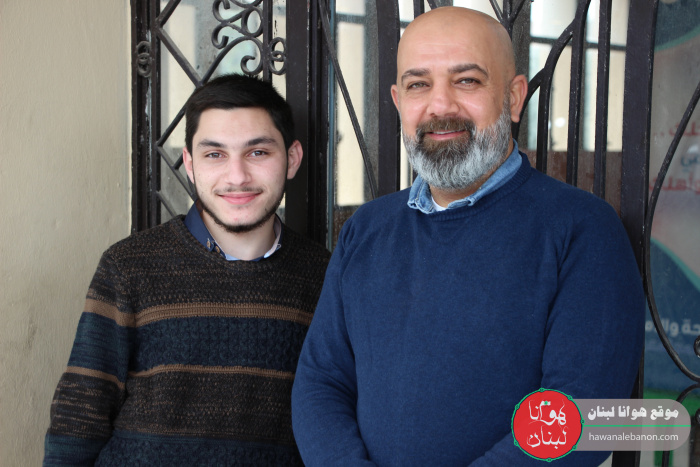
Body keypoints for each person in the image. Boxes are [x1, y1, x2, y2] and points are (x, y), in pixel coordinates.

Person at [291, 7, 644, 466]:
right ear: (398, 101)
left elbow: (580, 412)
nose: (440, 106)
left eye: (467, 81)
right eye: (419, 84)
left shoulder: (583, 230)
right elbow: (322, 380)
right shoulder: (367, 229)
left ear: (513, 98)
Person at [44, 74, 330, 466]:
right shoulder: (129, 266)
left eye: (258, 152)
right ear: (190, 165)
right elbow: (79, 416)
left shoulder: (325, 276)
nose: (237, 176)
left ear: (292, 159)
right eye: (215, 155)